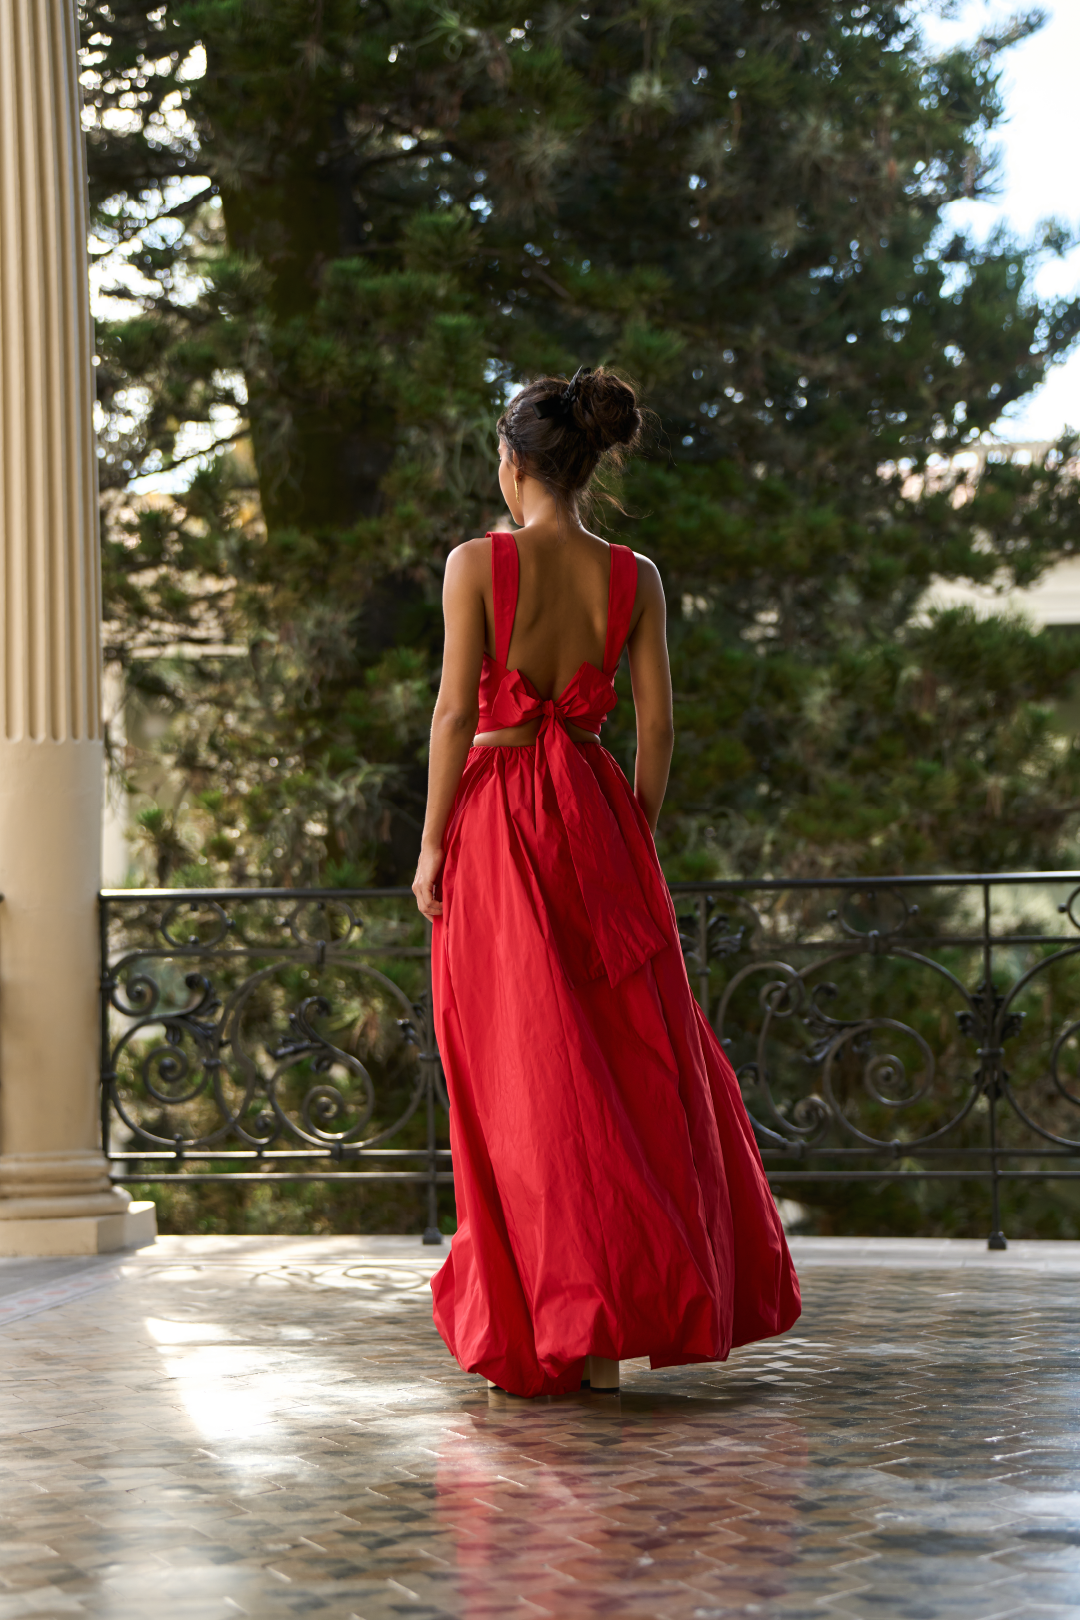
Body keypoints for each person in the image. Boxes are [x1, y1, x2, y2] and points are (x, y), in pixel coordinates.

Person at [413, 366, 800, 1398]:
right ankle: (605, 1319)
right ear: (587, 464)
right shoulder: (636, 575)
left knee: (521, 1069)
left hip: (497, 818)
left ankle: (555, 1321)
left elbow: (455, 716)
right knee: (624, 1070)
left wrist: (430, 845)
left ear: (512, 464)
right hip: (597, 811)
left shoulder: (474, 564)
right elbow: (659, 727)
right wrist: (634, 832)